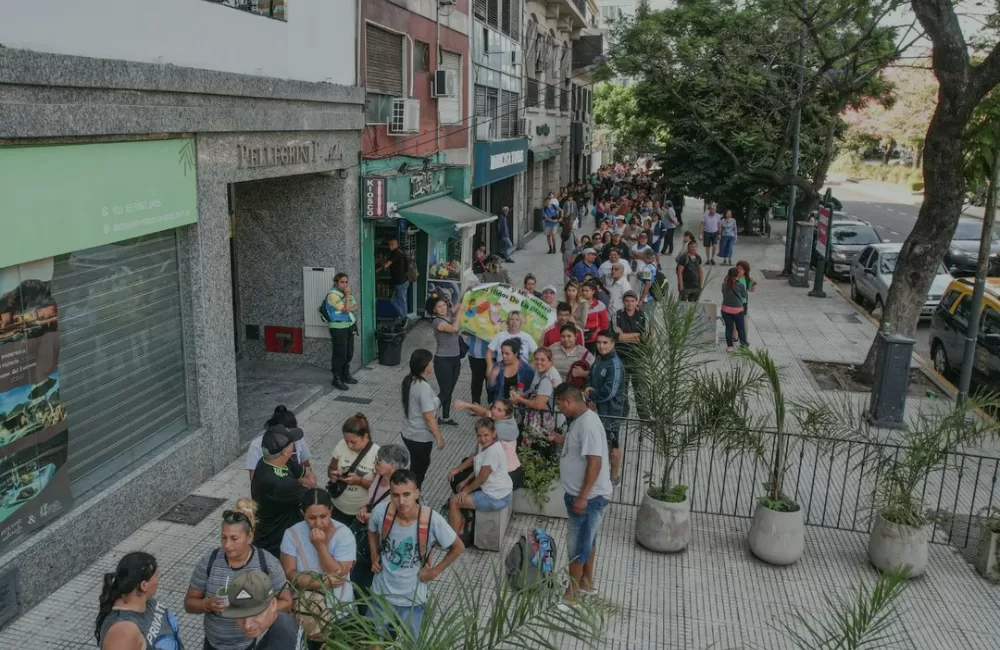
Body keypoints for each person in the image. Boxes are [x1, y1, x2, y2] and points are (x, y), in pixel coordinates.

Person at [367, 470, 465, 640]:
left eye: (406, 494)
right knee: (372, 642)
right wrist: (374, 555)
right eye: (395, 495)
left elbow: (458, 546)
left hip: (413, 599)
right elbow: (372, 530)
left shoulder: (431, 519)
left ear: (417, 493)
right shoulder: (381, 512)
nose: (401, 501)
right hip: (381, 594)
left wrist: (435, 571)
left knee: (411, 645)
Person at [186, 501, 291, 650]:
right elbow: (189, 603)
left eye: (234, 538)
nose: (227, 545)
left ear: (249, 537)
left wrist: (257, 610)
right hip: (212, 644)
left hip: (250, 645)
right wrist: (207, 604)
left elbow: (286, 603)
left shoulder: (267, 564)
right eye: (223, 537)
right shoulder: (209, 561)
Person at [548, 384, 613, 607]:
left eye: (559, 404)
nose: (559, 409)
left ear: (568, 402)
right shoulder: (579, 420)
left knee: (577, 545)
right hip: (581, 495)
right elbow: (579, 450)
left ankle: (572, 593)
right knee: (589, 539)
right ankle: (586, 582)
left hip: (589, 498)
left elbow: (595, 462)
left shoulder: (588, 424)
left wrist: (583, 496)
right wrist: (560, 439)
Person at [280, 489, 356, 648]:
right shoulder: (291, 534)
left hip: (339, 610)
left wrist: (320, 546)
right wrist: (322, 582)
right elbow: (289, 573)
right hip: (305, 611)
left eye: (323, 516)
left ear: (331, 511)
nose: (319, 523)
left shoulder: (344, 534)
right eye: (312, 518)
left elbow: (338, 575)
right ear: (303, 514)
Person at [351, 444, 411, 604]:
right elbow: (373, 500)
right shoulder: (379, 477)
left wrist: (372, 517)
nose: (375, 465)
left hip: (385, 545)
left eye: (379, 462)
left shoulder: (402, 489)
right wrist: (365, 508)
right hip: (368, 539)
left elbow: (402, 520)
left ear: (392, 466)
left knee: (373, 586)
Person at [251, 424, 316, 558]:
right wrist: (305, 483)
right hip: (275, 544)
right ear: (286, 450)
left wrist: (305, 482)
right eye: (292, 443)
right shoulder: (280, 483)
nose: (294, 444)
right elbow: (312, 495)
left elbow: (309, 476)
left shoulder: (267, 461)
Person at [96, 552, 184, 650]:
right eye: (156, 576)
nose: (158, 579)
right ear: (144, 585)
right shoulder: (123, 631)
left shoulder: (147, 602)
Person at [446, 417, 514, 534]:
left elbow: (482, 477)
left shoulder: (493, 451)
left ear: (494, 433)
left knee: (454, 502)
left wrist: (466, 490)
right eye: (479, 436)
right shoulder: (485, 445)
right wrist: (466, 481)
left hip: (496, 496)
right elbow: (479, 466)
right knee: (459, 487)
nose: (482, 439)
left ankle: (453, 540)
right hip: (496, 490)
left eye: (486, 435)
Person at [218, 570, 305, 650]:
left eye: (255, 614)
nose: (247, 625)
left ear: (273, 604)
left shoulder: (275, 645)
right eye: (240, 615)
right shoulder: (285, 620)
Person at [452, 399, 523, 490]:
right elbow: (486, 412)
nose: (494, 411)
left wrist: (458, 470)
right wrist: (467, 405)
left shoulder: (496, 431)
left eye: (499, 410)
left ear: (506, 415)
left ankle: (462, 501)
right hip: (513, 469)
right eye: (494, 407)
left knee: (456, 478)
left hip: (507, 476)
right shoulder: (508, 419)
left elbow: (478, 456)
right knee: (465, 463)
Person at [401, 349, 446, 487]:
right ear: (425, 366)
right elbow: (428, 417)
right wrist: (439, 436)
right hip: (420, 437)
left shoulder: (409, 380)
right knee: (418, 471)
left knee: (415, 467)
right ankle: (413, 496)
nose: (433, 364)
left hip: (408, 432)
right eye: (431, 362)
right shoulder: (423, 387)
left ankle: (412, 492)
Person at [586, 330, 626, 486]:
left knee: (613, 443)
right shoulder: (599, 359)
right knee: (598, 443)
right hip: (596, 408)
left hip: (612, 411)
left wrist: (593, 397)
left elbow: (610, 392)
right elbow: (590, 376)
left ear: (612, 344)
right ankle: (598, 474)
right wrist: (588, 390)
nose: (601, 346)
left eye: (605, 343)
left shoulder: (615, 365)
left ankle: (614, 477)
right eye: (598, 342)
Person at [326, 413, 379, 524]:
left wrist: (359, 481)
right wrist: (334, 475)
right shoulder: (341, 445)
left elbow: (379, 487)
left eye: (353, 442)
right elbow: (331, 468)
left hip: (361, 513)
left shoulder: (377, 454)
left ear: (365, 436)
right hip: (337, 508)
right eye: (346, 441)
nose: (349, 446)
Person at [247, 406, 312, 483]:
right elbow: (254, 480)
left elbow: (306, 466)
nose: (290, 441)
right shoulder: (256, 446)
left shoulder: (297, 438)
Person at [615, 291, 650, 419]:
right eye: (627, 301)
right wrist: (635, 336)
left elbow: (644, 336)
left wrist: (624, 336)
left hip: (637, 356)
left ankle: (644, 415)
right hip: (621, 355)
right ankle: (623, 413)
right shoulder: (617, 315)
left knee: (640, 386)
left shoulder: (643, 315)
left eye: (632, 301)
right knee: (621, 386)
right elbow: (616, 336)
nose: (629, 303)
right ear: (623, 302)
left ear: (636, 302)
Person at [324, 272, 358, 391]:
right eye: (342, 282)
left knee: (349, 353)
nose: (344, 284)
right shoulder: (333, 295)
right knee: (340, 354)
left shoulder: (346, 293)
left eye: (346, 282)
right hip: (337, 328)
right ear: (336, 282)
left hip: (349, 326)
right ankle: (337, 378)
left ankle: (345, 374)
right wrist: (348, 296)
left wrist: (349, 305)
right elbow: (346, 309)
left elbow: (356, 307)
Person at [431, 298, 463, 425]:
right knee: (445, 391)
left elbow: (460, 303)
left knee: (449, 390)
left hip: (455, 358)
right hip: (443, 361)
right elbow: (454, 328)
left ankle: (445, 417)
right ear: (434, 310)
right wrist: (460, 312)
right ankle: (429, 414)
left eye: (444, 305)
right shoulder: (437, 322)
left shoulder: (449, 314)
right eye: (439, 307)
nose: (443, 308)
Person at [485, 311, 537, 380]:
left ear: (521, 322)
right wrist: (490, 366)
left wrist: (530, 368)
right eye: (511, 319)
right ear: (507, 322)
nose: (514, 322)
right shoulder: (500, 335)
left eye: (517, 320)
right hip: (502, 372)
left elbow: (537, 353)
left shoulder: (527, 337)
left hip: (521, 374)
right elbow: (489, 352)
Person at [380, 237, 411, 319]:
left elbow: (387, 264)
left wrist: (382, 264)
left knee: (402, 301)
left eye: (392, 244)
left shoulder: (395, 253)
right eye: (389, 244)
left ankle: (404, 318)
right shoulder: (400, 251)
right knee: (393, 301)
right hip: (401, 281)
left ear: (396, 244)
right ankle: (403, 316)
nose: (390, 246)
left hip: (401, 282)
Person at [721, 268, 749, 352]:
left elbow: (724, 293)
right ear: (737, 275)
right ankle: (743, 345)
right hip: (737, 310)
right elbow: (744, 296)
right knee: (740, 328)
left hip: (725, 309)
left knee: (729, 328)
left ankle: (730, 346)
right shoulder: (740, 285)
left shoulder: (724, 284)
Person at [579, 280, 610, 354]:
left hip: (594, 339)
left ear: (593, 291)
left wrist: (597, 334)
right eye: (583, 290)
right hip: (580, 337)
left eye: (587, 291)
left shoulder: (600, 305)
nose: (584, 293)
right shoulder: (578, 304)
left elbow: (605, 324)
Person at [464, 332, 491, 405]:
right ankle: (475, 402)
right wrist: (474, 330)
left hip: (494, 353)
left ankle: (492, 402)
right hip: (475, 352)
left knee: (492, 379)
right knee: (476, 378)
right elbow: (464, 330)